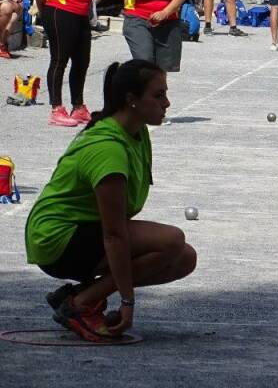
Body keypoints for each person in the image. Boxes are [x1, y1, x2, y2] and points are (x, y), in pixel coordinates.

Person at [24, 60, 197, 343]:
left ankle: (80, 296)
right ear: (131, 100)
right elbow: (114, 233)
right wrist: (127, 302)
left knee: (183, 259)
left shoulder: (136, 130)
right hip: (56, 238)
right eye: (158, 95)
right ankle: (80, 306)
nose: (167, 102)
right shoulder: (108, 149)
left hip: (84, 228)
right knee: (171, 240)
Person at [34, 0, 97, 127]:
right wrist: (43, 10)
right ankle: (56, 108)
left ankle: (78, 107)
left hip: (80, 13)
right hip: (59, 10)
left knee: (82, 61)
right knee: (59, 60)